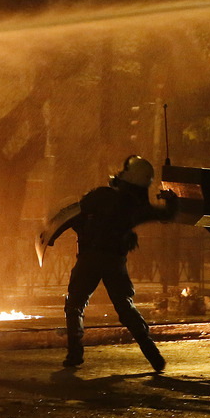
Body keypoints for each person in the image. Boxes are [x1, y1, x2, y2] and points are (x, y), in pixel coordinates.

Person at [61, 155, 178, 372]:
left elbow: (81, 207)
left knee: (75, 305)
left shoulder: (102, 196)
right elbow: (168, 214)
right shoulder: (138, 208)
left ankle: (74, 354)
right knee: (124, 305)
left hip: (90, 258)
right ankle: (153, 355)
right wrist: (171, 198)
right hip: (115, 262)